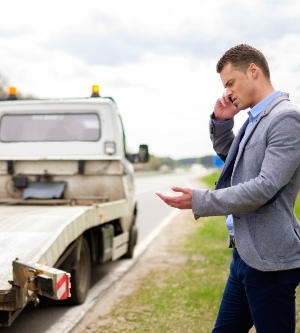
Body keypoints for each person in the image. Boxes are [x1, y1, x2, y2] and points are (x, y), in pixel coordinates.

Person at [156, 44, 300, 332]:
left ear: (253, 70)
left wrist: (200, 200)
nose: (228, 92)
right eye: (225, 86)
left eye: (230, 83)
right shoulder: (255, 118)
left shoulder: (285, 118)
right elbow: (237, 164)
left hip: (270, 262)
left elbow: (264, 187)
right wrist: (222, 123)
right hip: (244, 255)